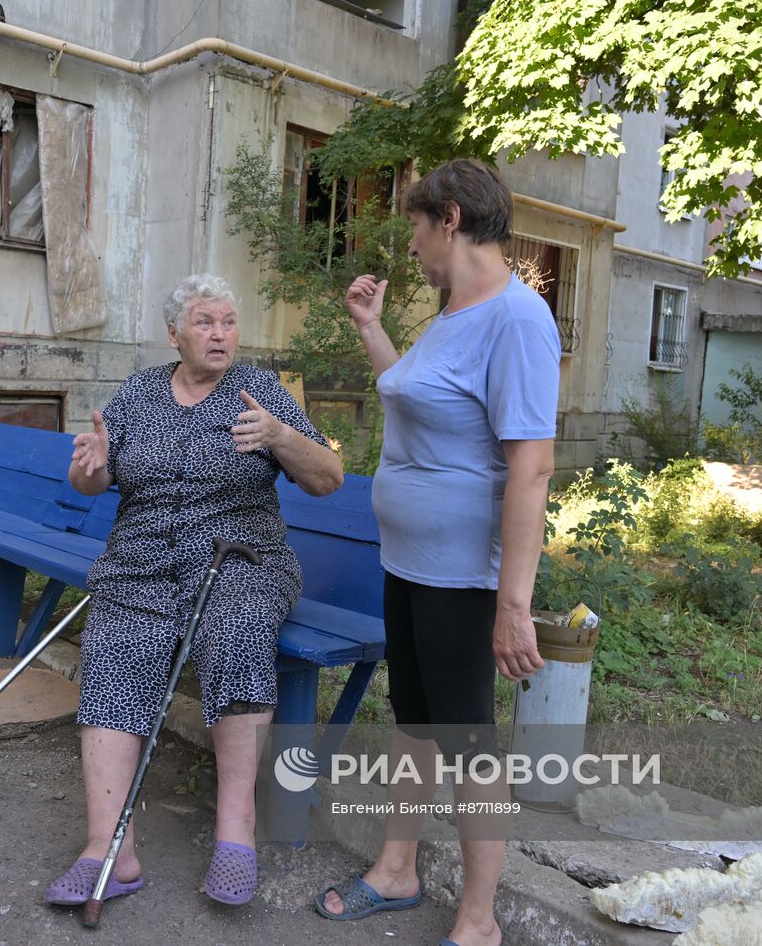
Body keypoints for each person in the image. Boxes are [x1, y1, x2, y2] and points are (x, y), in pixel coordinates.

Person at [315, 159, 559, 946]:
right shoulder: (452, 314)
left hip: (461, 573)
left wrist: (512, 605)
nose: (411, 247)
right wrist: (371, 331)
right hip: (407, 559)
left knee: (468, 744)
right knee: (417, 724)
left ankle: (480, 920)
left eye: (417, 228)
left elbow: (533, 466)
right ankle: (396, 870)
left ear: (448, 218)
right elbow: (420, 408)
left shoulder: (517, 320)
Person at [45, 273, 343, 909]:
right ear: (173, 333)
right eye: (205, 322)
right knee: (114, 639)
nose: (219, 334)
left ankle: (235, 833)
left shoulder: (259, 392)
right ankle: (109, 849)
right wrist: (88, 466)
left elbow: (329, 478)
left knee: (233, 626)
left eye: (228, 322)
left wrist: (282, 438)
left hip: (241, 556)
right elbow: (90, 482)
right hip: (144, 559)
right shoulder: (142, 392)